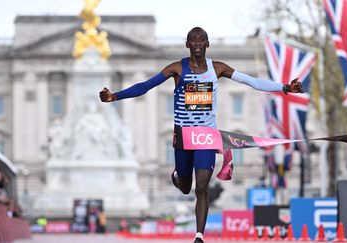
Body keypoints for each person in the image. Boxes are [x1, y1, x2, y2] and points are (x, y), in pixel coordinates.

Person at [99, 27, 303, 243]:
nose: (197, 43)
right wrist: (115, 96)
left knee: (202, 186)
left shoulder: (218, 68)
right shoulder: (177, 68)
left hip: (206, 135)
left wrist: (285, 87)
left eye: (201, 39)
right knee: (186, 188)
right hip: (183, 136)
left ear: (207, 44)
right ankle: (178, 177)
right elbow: (145, 86)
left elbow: (251, 81)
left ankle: (199, 235)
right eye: (193, 40)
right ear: (187, 45)